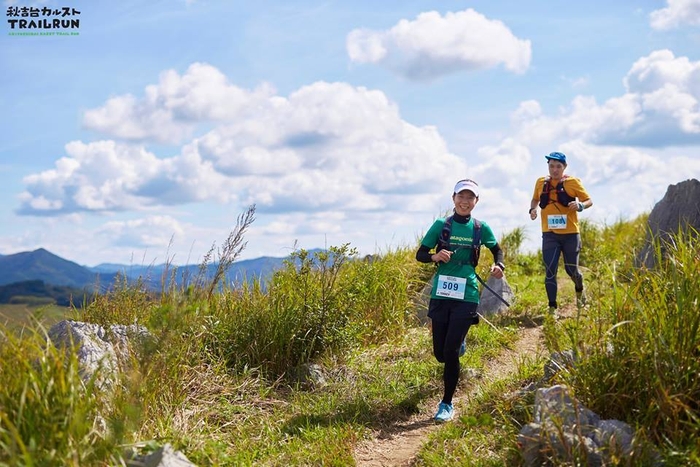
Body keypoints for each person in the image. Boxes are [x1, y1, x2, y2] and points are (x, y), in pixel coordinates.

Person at [415, 179, 505, 422]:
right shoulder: (441, 225)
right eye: (461, 196)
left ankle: (446, 404)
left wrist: (499, 264)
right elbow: (420, 254)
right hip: (441, 293)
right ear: (453, 198)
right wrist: (435, 256)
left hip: (467, 294)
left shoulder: (480, 227)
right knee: (440, 354)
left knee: (451, 352)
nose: (465, 201)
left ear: (477, 201)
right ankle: (459, 341)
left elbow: (497, 249)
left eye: (470, 197)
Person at [529, 151, 593, 313]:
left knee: (571, 270)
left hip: (571, 234)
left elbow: (588, 200)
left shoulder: (572, 182)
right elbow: (535, 199)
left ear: (564, 167)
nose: (554, 170)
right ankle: (552, 308)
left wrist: (580, 206)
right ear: (548, 167)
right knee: (550, 270)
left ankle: (579, 289)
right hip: (549, 234)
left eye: (558, 166)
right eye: (551, 166)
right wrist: (533, 209)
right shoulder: (541, 183)